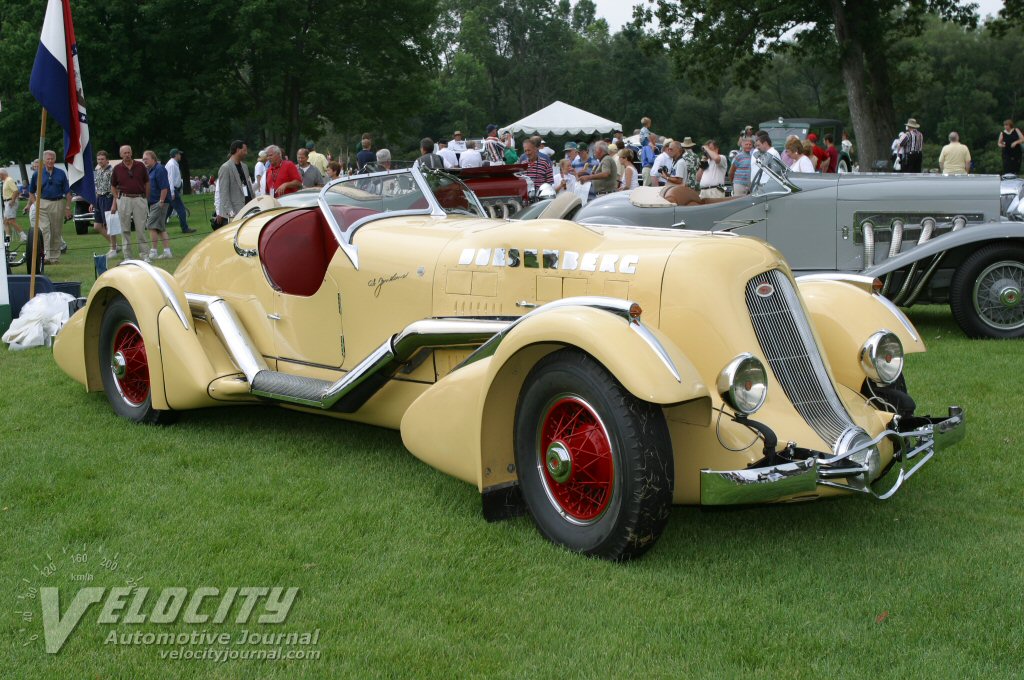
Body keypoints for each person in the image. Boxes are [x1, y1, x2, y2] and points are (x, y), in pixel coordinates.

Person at [27, 149, 72, 265]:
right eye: (48, 159)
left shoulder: (61, 173)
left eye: (52, 159)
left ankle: (54, 257)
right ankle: (46, 256)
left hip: (57, 203)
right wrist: (35, 203)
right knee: (44, 230)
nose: (50, 161)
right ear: (44, 160)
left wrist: (67, 207)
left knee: (56, 231)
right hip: (42, 203)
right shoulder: (37, 174)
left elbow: (68, 193)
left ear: (55, 160)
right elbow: (31, 192)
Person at [142, 150, 173, 260]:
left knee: (151, 226)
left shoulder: (160, 169)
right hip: (153, 202)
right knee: (160, 228)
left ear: (153, 159)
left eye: (146, 159)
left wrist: (161, 201)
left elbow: (164, 187)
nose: (144, 161)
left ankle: (153, 251)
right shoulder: (149, 170)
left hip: (159, 202)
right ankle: (167, 251)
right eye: (143, 159)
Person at [216, 140, 255, 224]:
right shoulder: (225, 168)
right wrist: (231, 214)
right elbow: (224, 194)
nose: (246, 153)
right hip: (234, 214)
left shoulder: (245, 167)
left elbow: (249, 188)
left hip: (248, 211)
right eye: (244, 150)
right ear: (237, 150)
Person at [90, 151, 117, 257]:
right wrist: (94, 202)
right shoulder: (98, 171)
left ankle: (113, 249)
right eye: (98, 159)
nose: (100, 161)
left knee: (110, 225)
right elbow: (98, 188)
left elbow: (116, 189)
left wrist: (114, 204)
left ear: (107, 160)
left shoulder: (112, 171)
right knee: (97, 225)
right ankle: (114, 244)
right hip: (99, 199)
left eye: (102, 159)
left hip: (109, 198)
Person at [164, 149, 195, 233]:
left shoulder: (173, 164)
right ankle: (184, 228)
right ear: (175, 155)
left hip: (172, 190)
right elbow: (170, 179)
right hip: (172, 190)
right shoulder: (172, 165)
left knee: (168, 211)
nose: (180, 156)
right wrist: (173, 192)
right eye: (179, 154)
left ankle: (160, 228)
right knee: (181, 209)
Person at [0, 169, 26, 243]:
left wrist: (13, 200)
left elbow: (15, 190)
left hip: (10, 202)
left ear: (2, 174)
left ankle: (23, 236)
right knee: (5, 221)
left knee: (11, 221)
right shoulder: (5, 181)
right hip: (7, 202)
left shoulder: (9, 180)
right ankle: (8, 238)